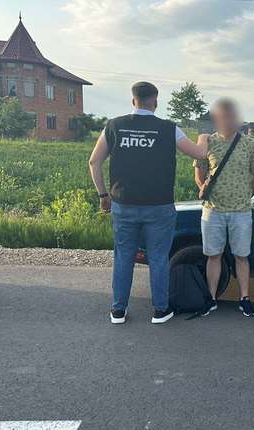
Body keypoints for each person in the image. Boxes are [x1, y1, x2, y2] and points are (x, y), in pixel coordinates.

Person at [89, 81, 208, 325]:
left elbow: (94, 162)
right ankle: (160, 311)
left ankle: (118, 311)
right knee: (158, 258)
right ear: (155, 101)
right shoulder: (169, 128)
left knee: (124, 257)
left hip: (124, 204)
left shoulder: (114, 126)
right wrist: (204, 138)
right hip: (159, 206)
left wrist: (103, 196)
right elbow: (199, 153)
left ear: (133, 100)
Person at [194, 98, 254, 317]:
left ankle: (245, 298)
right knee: (213, 255)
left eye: (232, 116)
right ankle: (211, 299)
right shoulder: (208, 142)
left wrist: (242, 195)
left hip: (241, 211)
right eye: (223, 117)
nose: (228, 120)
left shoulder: (250, 144)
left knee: (241, 256)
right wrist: (209, 191)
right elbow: (199, 176)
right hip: (213, 210)